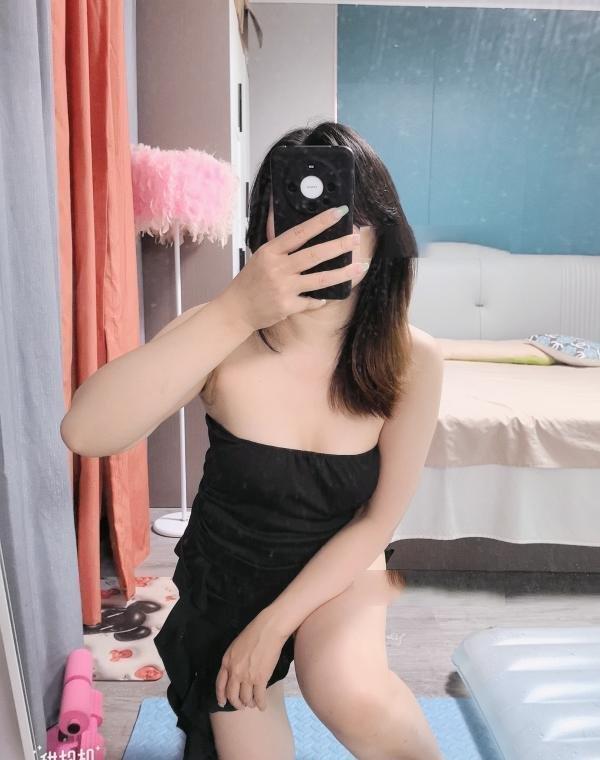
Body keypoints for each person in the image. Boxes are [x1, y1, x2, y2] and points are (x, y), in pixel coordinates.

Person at [60, 121, 444, 760]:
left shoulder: (413, 359)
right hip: (228, 575)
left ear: (381, 235)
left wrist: (273, 626)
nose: (321, 233)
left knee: (351, 690)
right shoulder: (219, 334)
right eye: (296, 211)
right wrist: (236, 309)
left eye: (347, 216)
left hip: (340, 567)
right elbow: (85, 431)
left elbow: (378, 521)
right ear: (264, 226)